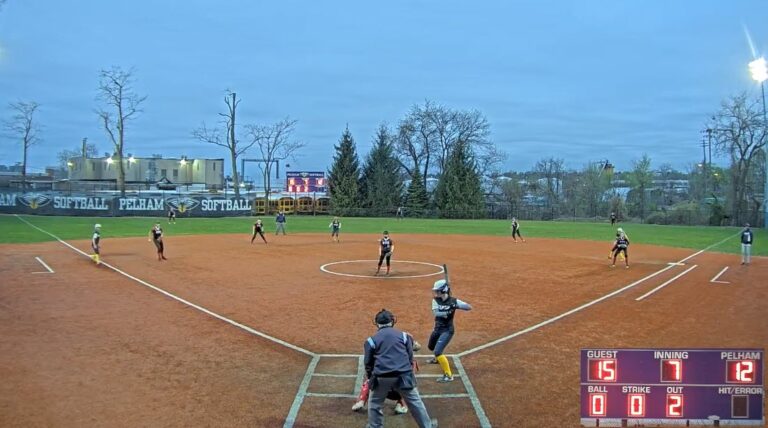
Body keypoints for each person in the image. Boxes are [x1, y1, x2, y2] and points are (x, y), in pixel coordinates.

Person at [363, 309, 438, 428]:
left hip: (382, 377)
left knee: (375, 403)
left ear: (376, 323)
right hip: (403, 375)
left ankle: (375, 426)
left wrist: (371, 377)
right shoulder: (404, 336)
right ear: (392, 321)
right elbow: (409, 357)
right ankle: (427, 426)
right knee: (415, 402)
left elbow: (368, 363)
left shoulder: (371, 340)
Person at [353, 334, 422, 414]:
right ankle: (402, 404)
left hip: (379, 389)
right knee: (409, 384)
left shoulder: (383, 357)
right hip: (399, 391)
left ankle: (361, 400)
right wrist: (410, 342)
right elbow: (417, 347)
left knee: (369, 380)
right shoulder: (409, 361)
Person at [428, 279, 472, 383]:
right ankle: (437, 359)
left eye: (438, 290)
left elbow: (469, 307)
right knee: (431, 347)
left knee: (438, 351)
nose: (436, 292)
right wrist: (448, 311)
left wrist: (456, 306)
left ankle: (448, 375)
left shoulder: (454, 301)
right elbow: (436, 313)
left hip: (447, 330)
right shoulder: (435, 300)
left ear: (444, 290)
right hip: (437, 328)